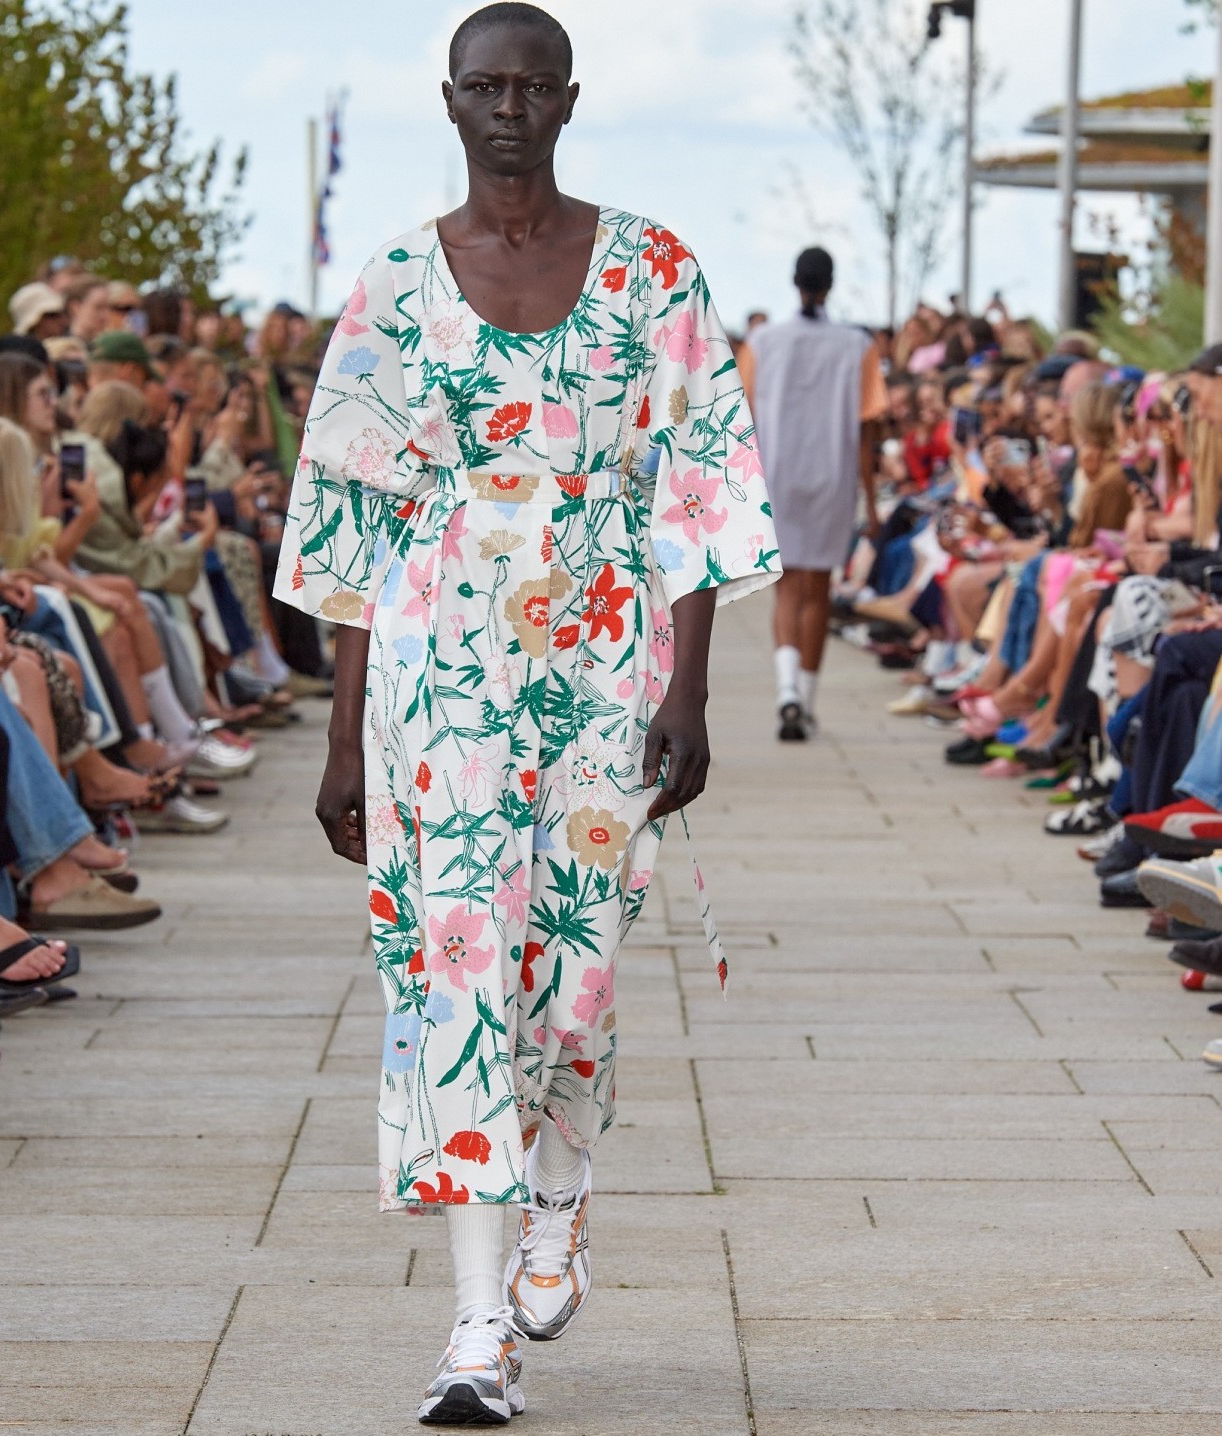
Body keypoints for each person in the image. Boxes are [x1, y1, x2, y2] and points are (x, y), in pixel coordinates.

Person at [273, 3, 777, 1424]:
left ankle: (564, 1184)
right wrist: (339, 729)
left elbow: (696, 490)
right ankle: (477, 1328)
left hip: (606, 656)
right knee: (456, 983)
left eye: (531, 85)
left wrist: (689, 687)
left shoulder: (652, 270)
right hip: (438, 679)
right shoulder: (387, 286)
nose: (507, 106)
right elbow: (352, 524)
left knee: (578, 970)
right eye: (483, 85)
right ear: (449, 100)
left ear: (567, 101)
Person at [739, 246, 888, 740]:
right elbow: (868, 430)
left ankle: (785, 690)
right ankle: (805, 696)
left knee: (787, 586)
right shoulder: (857, 345)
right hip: (833, 475)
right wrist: (870, 498)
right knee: (817, 587)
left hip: (776, 474)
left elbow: (742, 419)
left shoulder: (763, 342)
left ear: (794, 280)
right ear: (831, 283)